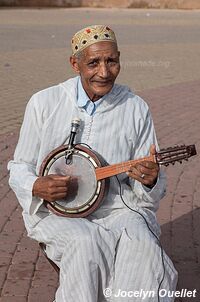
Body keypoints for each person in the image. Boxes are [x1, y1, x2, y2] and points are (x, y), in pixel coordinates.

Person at [8, 25, 177, 301]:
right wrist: (37, 185)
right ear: (75, 64)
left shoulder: (135, 107)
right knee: (85, 244)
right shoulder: (44, 103)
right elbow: (19, 165)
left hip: (117, 208)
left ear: (120, 58)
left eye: (112, 61)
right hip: (57, 213)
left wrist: (149, 180)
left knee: (143, 248)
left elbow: (149, 184)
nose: (104, 72)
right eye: (93, 63)